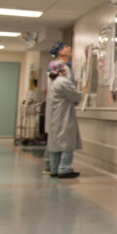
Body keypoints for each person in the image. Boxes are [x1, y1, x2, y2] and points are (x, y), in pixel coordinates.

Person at [46, 60, 82, 179]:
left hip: (55, 116)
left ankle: (55, 168)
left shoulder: (53, 82)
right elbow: (75, 96)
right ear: (62, 70)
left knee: (55, 143)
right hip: (64, 116)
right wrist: (79, 95)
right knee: (66, 142)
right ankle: (64, 169)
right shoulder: (63, 82)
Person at [44, 41, 74, 174]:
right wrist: (76, 97)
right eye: (66, 46)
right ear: (60, 52)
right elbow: (63, 86)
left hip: (56, 106)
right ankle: (59, 167)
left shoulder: (57, 66)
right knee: (61, 138)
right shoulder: (59, 66)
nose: (70, 48)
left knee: (54, 136)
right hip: (60, 107)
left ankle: (51, 165)